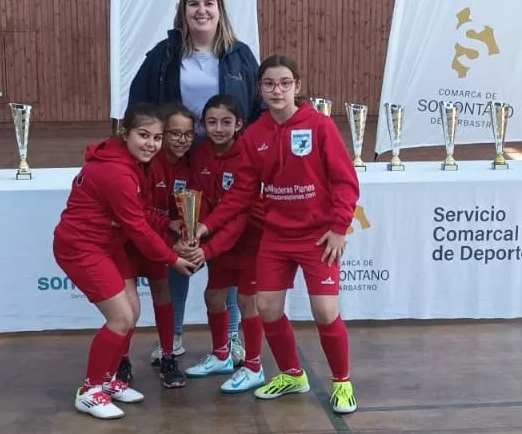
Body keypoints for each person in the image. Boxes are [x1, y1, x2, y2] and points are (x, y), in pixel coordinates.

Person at [196, 55, 359, 414]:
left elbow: (345, 181)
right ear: (260, 89)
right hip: (276, 236)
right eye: (269, 84)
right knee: (267, 307)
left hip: (317, 236)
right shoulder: (255, 135)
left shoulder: (320, 126)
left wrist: (337, 228)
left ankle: (342, 382)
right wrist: (207, 225)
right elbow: (242, 192)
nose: (277, 90)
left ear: (297, 86)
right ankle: (291, 374)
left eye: (284, 83)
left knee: (325, 310)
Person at [127, 0, 260, 367]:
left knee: (228, 248)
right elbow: (139, 107)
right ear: (183, 11)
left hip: (226, 166)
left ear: (220, 10)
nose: (201, 10)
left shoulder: (240, 56)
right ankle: (176, 334)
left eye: (209, 3)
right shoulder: (164, 56)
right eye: (193, 3)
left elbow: (254, 113)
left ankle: (232, 336)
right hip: (178, 164)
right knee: (180, 243)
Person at [52, 103, 199, 420]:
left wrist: (167, 225)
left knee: (132, 311)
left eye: (157, 138)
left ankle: (109, 380)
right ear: (125, 133)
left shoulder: (133, 163)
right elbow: (137, 228)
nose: (151, 144)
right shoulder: (116, 171)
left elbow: (141, 211)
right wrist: (173, 258)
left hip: (108, 243)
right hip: (81, 246)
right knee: (120, 317)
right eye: (143, 135)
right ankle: (90, 390)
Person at [177, 95, 268, 394]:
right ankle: (221, 356)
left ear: (239, 124)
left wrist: (206, 247)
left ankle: (254, 365)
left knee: (247, 301)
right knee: (214, 297)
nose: (218, 128)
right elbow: (197, 197)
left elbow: (239, 213)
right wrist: (194, 233)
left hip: (251, 240)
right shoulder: (200, 153)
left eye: (226, 122)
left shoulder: (248, 156)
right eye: (212, 122)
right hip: (218, 238)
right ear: (203, 124)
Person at [123, 103, 195, 390]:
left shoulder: (191, 164)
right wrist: (168, 224)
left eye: (187, 134)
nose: (180, 140)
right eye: (173, 133)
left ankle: (168, 355)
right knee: (127, 306)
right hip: (132, 239)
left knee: (162, 292)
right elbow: (139, 211)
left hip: (159, 239)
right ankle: (122, 360)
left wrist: (184, 226)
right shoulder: (147, 161)